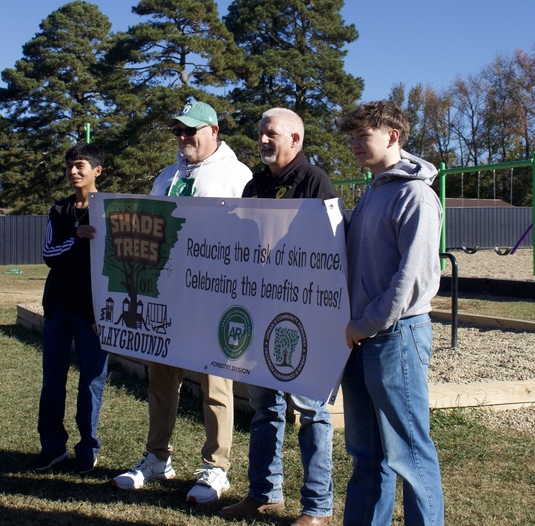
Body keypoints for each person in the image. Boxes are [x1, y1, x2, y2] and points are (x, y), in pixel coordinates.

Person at [112, 99, 253, 504]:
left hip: (216, 296)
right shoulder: (167, 175)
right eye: (179, 130)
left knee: (215, 382)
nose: (183, 137)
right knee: (161, 379)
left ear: (214, 131)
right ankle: (157, 457)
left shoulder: (235, 175)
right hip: (170, 297)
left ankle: (216, 467)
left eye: (191, 130)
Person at [221, 108, 338, 526]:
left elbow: (330, 248)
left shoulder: (315, 182)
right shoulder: (254, 184)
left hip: (303, 315)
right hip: (259, 311)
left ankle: (317, 508)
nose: (264, 140)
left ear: (295, 140)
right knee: (265, 407)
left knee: (311, 412)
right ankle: (263, 494)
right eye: (261, 133)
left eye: (271, 134)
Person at [338, 100, 445, 526]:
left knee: (410, 453)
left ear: (393, 136)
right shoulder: (374, 190)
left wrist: (364, 324)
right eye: (352, 137)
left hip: (395, 337)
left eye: (363, 136)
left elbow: (410, 280)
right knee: (367, 454)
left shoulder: (415, 195)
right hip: (361, 339)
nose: (354, 146)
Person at [31, 143, 109, 474]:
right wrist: (77, 236)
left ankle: (87, 449)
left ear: (97, 171)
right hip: (59, 308)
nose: (73, 171)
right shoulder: (59, 210)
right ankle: (52, 447)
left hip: (94, 313)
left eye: (79, 165)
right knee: (53, 380)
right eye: (68, 166)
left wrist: (107, 311)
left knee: (91, 381)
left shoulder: (111, 209)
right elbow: (50, 254)